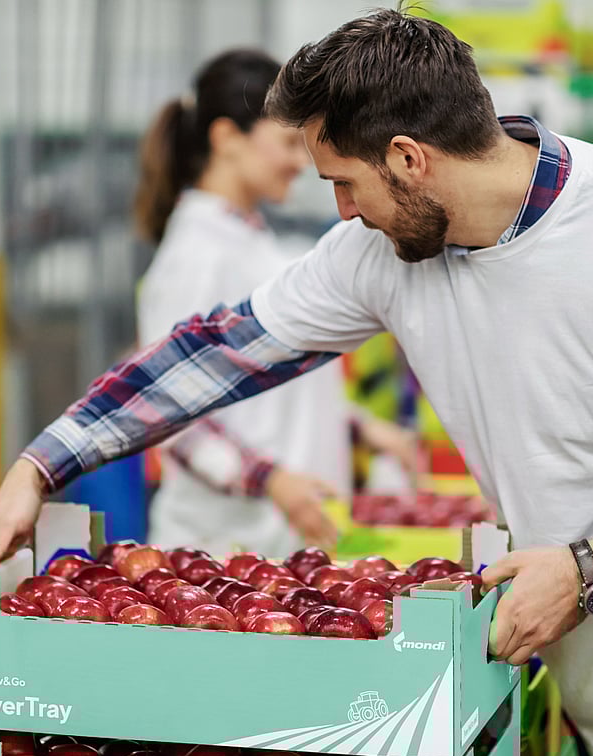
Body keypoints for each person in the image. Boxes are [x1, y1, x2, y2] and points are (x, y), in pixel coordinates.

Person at [0, 10, 593, 756]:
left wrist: (588, 565)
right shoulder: (380, 255)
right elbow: (218, 352)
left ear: (409, 159)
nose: (341, 211)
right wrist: (45, 460)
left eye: (344, 180)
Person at [133, 48, 417, 555]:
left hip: (274, 545)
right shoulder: (195, 256)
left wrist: (356, 425)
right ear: (226, 139)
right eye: (287, 143)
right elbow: (171, 416)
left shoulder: (250, 241)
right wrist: (273, 481)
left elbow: (265, 385)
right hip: (220, 555)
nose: (298, 162)